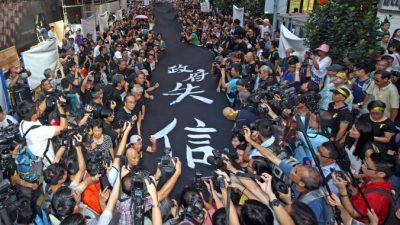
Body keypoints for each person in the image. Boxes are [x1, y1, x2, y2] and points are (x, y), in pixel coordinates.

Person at [333, 152, 396, 225]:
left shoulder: (376, 197)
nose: (362, 166)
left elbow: (353, 213)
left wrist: (342, 190)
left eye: (367, 166)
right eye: (365, 162)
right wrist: (347, 185)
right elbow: (358, 193)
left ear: (381, 174)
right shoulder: (373, 178)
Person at [17, 99, 67, 167]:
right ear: (33, 116)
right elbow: (64, 128)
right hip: (49, 164)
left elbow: (40, 109)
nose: (40, 109)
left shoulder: (22, 123)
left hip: (36, 158)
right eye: (37, 109)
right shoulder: (39, 131)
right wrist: (60, 108)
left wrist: (48, 97)